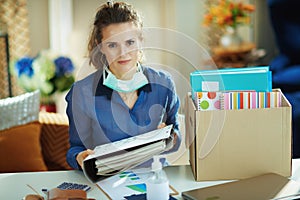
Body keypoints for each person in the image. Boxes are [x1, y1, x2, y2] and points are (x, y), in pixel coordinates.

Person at [65, 1, 181, 170]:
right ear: (100, 47)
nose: (123, 53)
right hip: (107, 181)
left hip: (154, 177)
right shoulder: (81, 93)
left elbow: (176, 135)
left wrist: (171, 138)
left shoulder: (164, 84)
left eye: (130, 42)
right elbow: (75, 148)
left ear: (141, 41)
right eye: (112, 45)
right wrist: (80, 157)